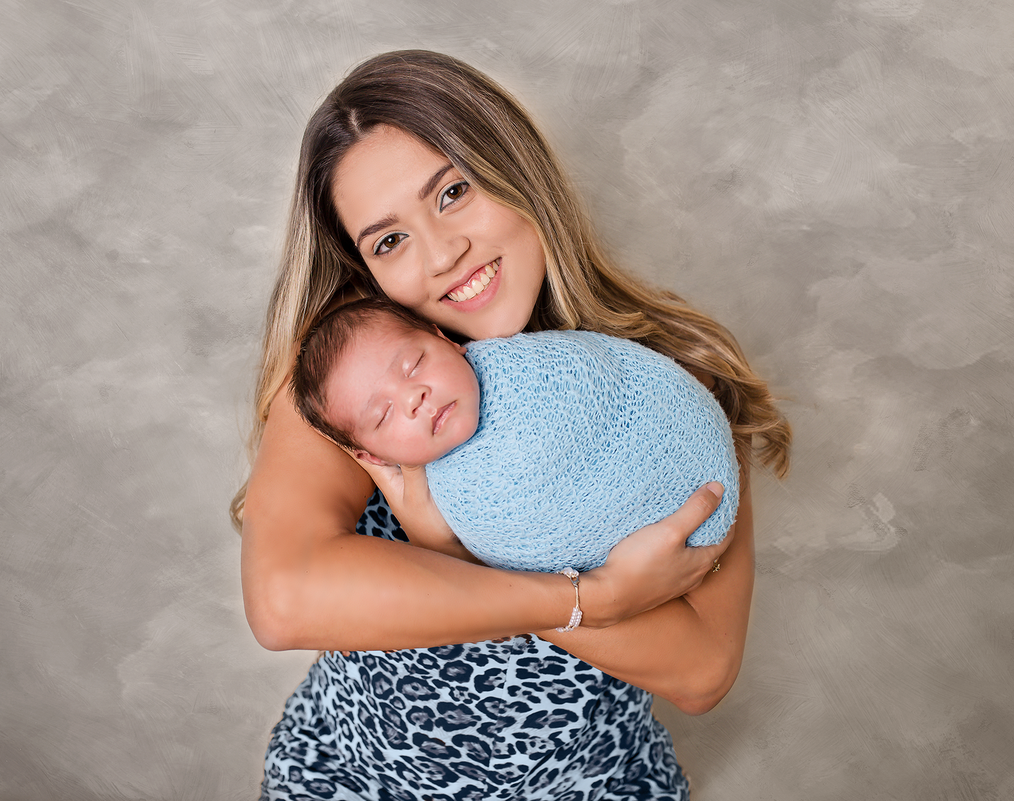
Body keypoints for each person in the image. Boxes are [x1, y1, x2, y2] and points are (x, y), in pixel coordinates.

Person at [233, 50, 791, 801]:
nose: (442, 254)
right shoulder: (357, 379)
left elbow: (702, 671)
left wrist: (457, 552)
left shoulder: (672, 383)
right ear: (366, 268)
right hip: (354, 784)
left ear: (517, 171)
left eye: (453, 192)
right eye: (389, 240)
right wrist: (589, 599)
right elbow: (285, 601)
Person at [288, 296, 740, 573]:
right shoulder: (438, 498)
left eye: (414, 365)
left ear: (445, 339)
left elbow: (607, 384)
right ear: (372, 456)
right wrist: (446, 548)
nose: (414, 397)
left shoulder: (534, 367)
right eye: (384, 414)